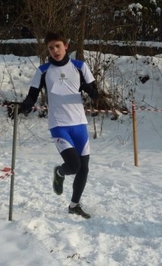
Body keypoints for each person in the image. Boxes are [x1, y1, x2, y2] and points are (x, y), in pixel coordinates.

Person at [19, 31, 99, 219]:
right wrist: (25, 105)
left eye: (58, 46)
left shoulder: (80, 66)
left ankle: (74, 205)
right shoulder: (44, 70)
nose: (55, 50)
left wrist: (90, 90)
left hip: (79, 124)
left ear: (66, 46)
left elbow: (95, 92)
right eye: (50, 47)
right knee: (74, 165)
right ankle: (60, 171)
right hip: (59, 125)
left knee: (84, 168)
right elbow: (32, 94)